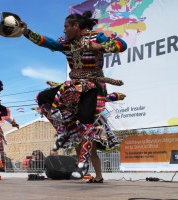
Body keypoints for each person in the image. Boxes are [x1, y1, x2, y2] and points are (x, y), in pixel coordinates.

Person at [20, 11, 127, 180]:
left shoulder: (96, 37)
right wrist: (26, 32)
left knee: (87, 129)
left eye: (66, 27)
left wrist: (100, 46)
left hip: (93, 88)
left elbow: (121, 44)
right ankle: (65, 130)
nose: (64, 30)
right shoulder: (66, 43)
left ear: (76, 26)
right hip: (75, 88)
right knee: (43, 98)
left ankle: (94, 173)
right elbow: (48, 42)